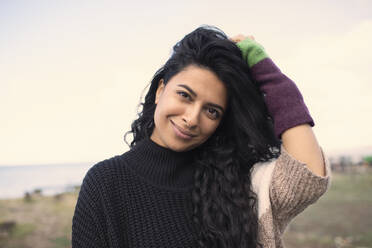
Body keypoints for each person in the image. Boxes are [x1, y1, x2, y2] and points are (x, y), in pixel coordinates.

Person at [71, 26, 331, 248]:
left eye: (212, 111)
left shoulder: (237, 183)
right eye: (185, 95)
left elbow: (305, 176)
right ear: (161, 90)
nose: (192, 118)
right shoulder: (105, 183)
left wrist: (266, 72)